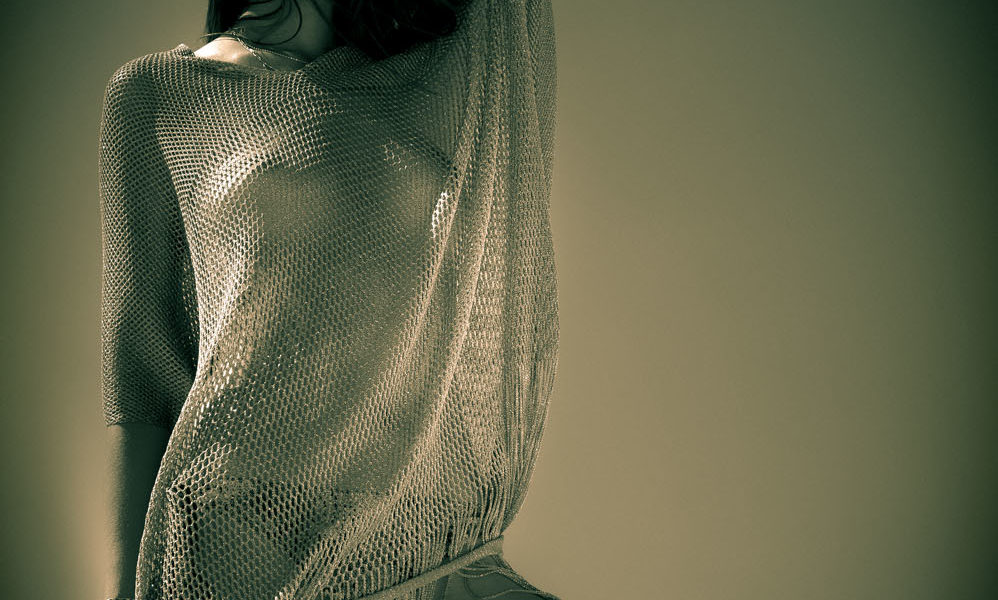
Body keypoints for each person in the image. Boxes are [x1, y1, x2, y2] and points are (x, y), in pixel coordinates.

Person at [99, 1, 559, 599]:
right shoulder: (159, 92)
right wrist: (120, 592)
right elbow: (139, 369)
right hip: (246, 520)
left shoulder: (436, 80)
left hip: (419, 524)